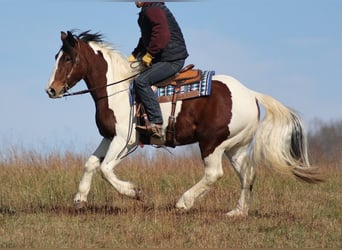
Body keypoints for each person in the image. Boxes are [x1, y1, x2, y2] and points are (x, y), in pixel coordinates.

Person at [129, 2, 188, 139]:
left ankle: (156, 123)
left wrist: (150, 54)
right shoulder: (150, 9)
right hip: (164, 58)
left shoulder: (153, 10)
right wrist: (135, 54)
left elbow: (162, 34)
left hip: (171, 60)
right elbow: (147, 38)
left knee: (141, 81)